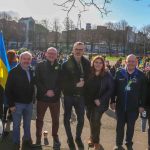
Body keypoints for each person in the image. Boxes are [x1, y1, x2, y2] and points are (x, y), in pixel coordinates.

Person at [110, 54, 146, 150]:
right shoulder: (119, 73)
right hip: (120, 106)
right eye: (129, 61)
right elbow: (113, 89)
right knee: (119, 126)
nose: (131, 63)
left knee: (131, 127)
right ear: (125, 62)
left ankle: (129, 143)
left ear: (136, 63)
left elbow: (144, 92)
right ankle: (118, 144)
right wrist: (112, 101)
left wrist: (142, 105)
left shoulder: (141, 75)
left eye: (133, 61)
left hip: (134, 107)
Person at [61, 42, 90, 149]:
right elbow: (62, 82)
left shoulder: (87, 63)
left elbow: (90, 78)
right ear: (73, 50)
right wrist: (75, 84)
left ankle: (77, 136)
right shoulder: (65, 64)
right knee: (67, 118)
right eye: (76, 49)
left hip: (81, 96)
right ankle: (69, 137)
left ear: (83, 51)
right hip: (68, 95)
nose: (78, 51)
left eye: (81, 49)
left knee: (81, 119)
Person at [5, 51, 35, 150]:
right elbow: (8, 90)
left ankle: (26, 140)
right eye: (24, 59)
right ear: (20, 59)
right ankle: (16, 142)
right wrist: (11, 105)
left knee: (27, 124)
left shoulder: (31, 70)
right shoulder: (13, 71)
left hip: (29, 103)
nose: (26, 61)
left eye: (28, 59)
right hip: (17, 104)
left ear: (31, 60)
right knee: (16, 125)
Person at [85, 56, 114, 150]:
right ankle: (91, 136)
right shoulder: (89, 72)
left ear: (103, 64)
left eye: (100, 63)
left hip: (100, 103)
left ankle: (96, 142)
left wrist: (100, 100)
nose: (98, 64)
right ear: (93, 63)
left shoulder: (107, 74)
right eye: (96, 62)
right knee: (90, 119)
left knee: (95, 120)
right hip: (89, 102)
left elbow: (110, 89)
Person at [35, 47, 61, 149]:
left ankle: (55, 136)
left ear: (56, 55)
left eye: (53, 54)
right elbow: (37, 80)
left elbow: (61, 82)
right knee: (39, 119)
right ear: (45, 54)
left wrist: (53, 91)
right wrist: (46, 91)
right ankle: (38, 136)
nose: (51, 55)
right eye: (49, 53)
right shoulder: (40, 65)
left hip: (55, 99)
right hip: (42, 98)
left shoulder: (59, 66)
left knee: (56, 120)